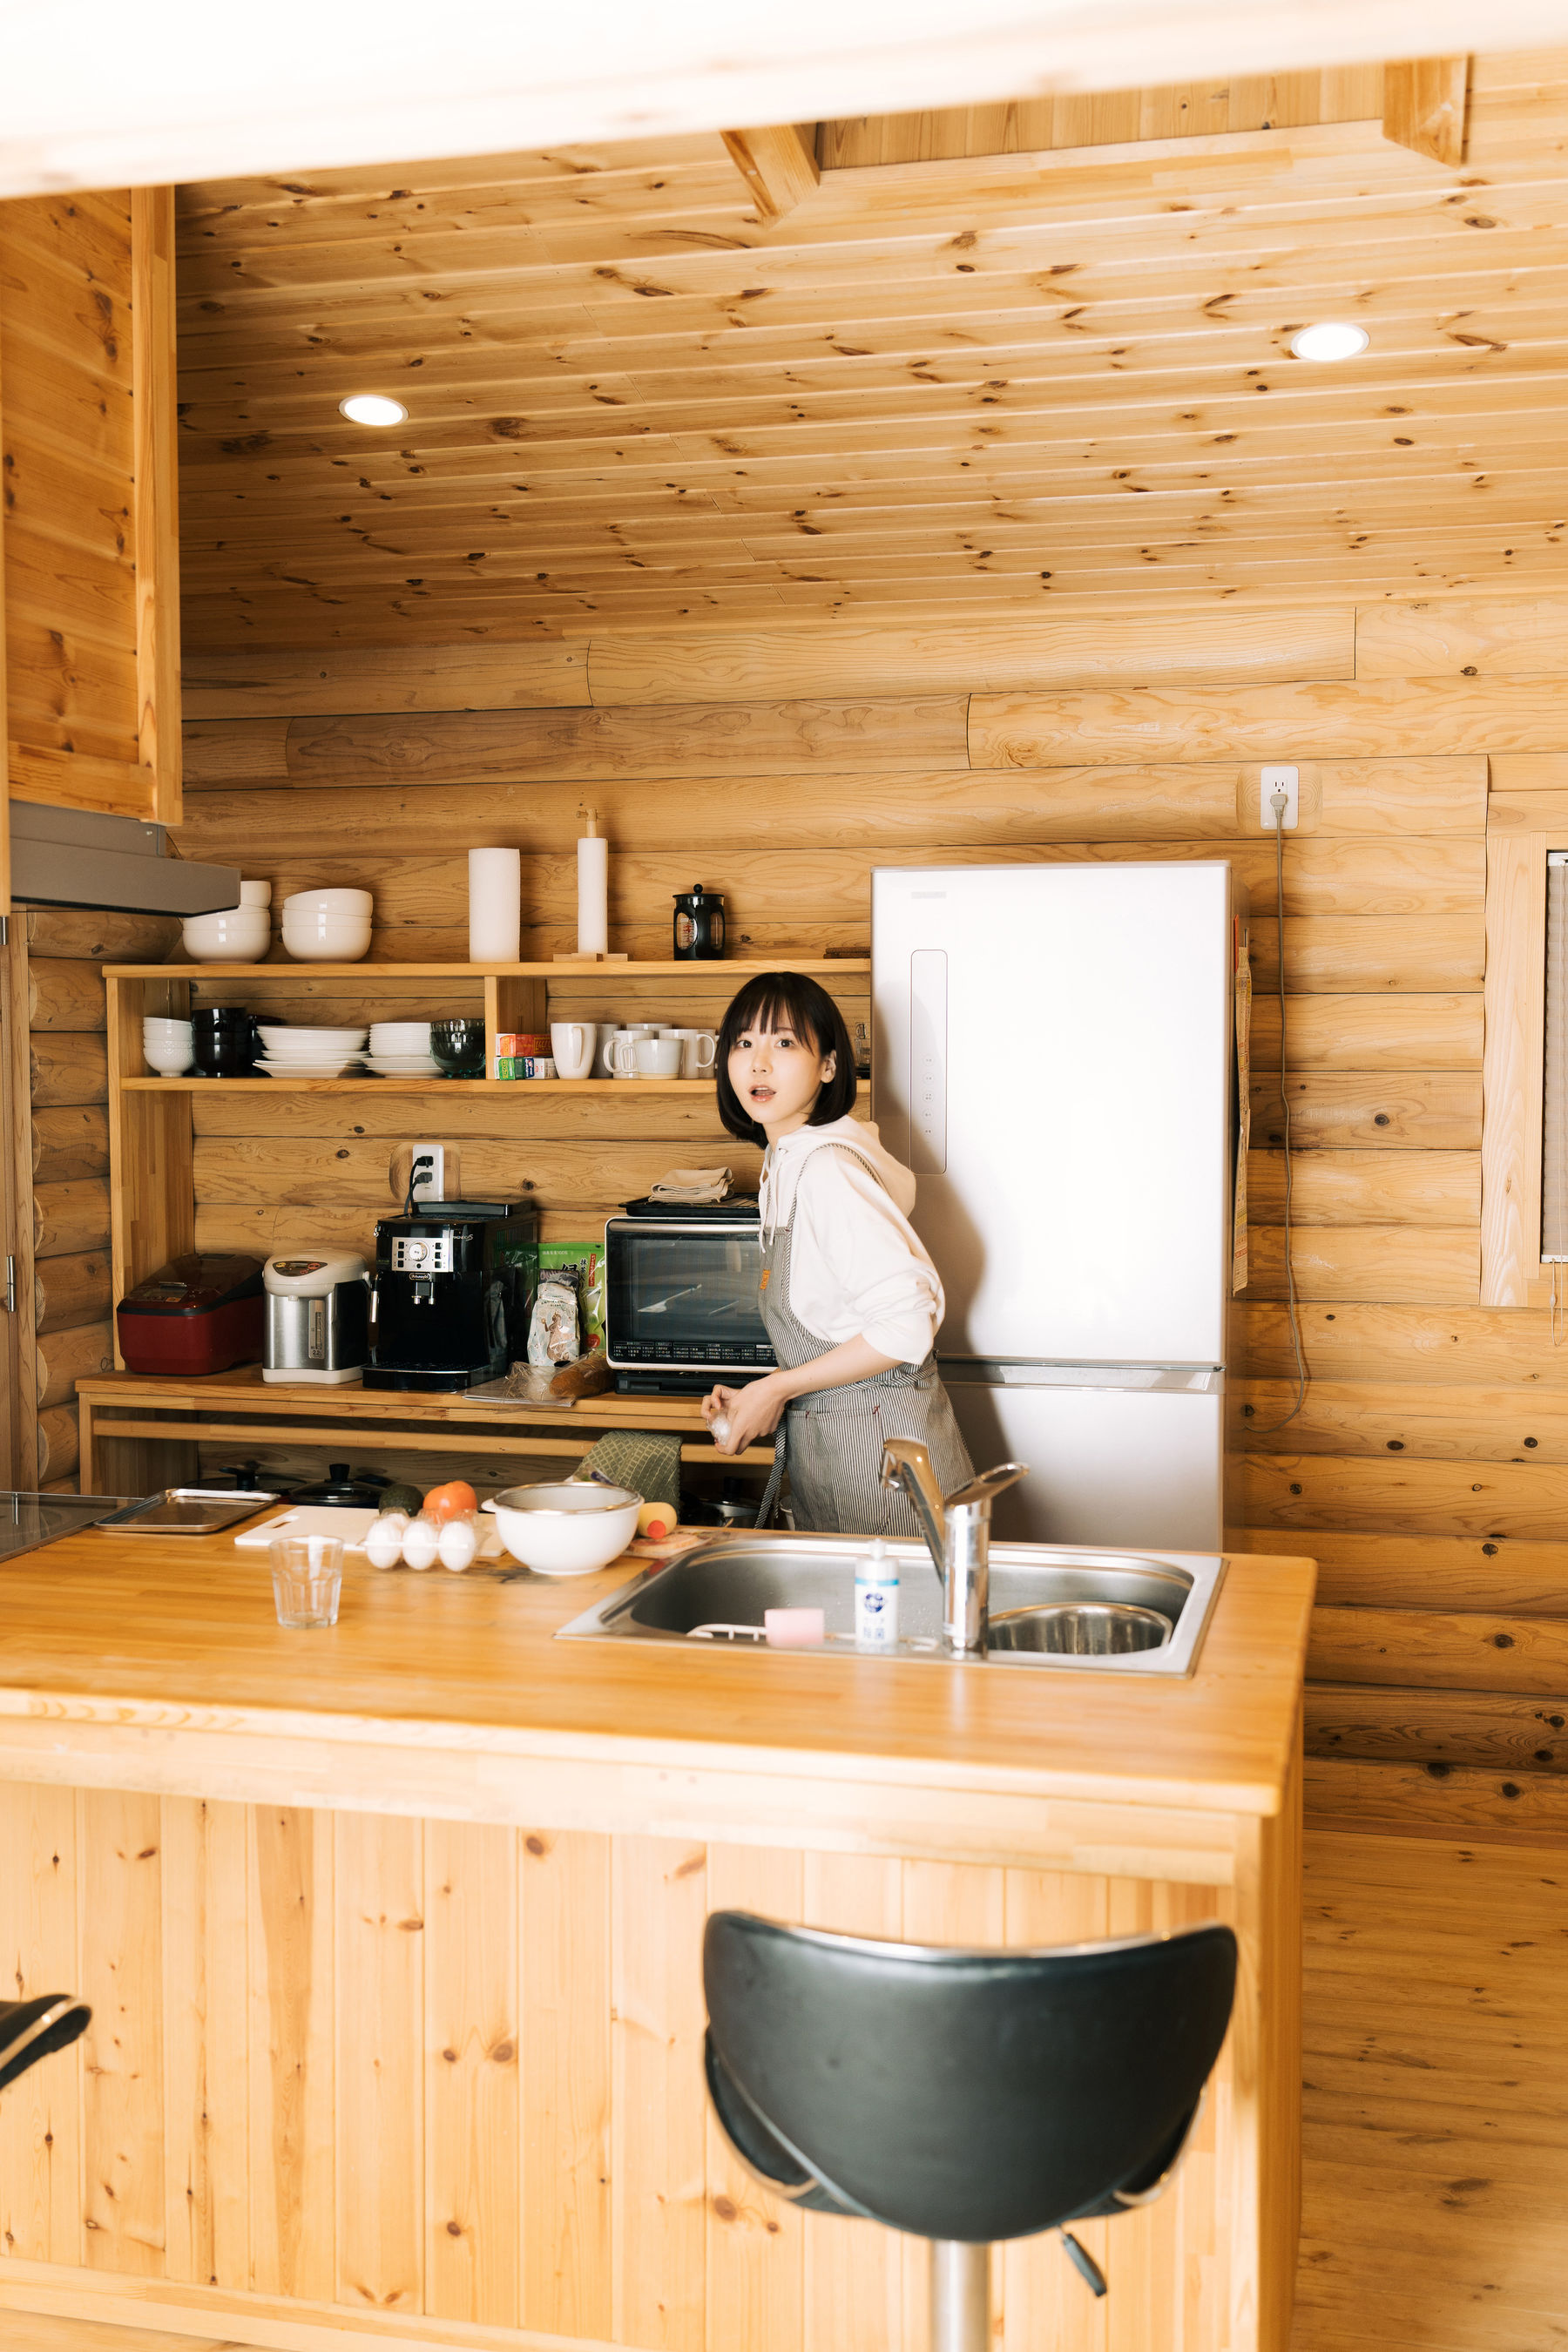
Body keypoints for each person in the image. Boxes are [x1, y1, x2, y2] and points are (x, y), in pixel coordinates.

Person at [701, 970, 974, 1537]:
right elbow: (837, 1321)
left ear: (828, 1065)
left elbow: (906, 1324)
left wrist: (777, 1387)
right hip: (842, 1454)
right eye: (743, 1042)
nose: (758, 1064)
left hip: (888, 1468)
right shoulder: (787, 1162)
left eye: (784, 1043)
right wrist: (760, 1394)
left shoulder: (827, 1170)